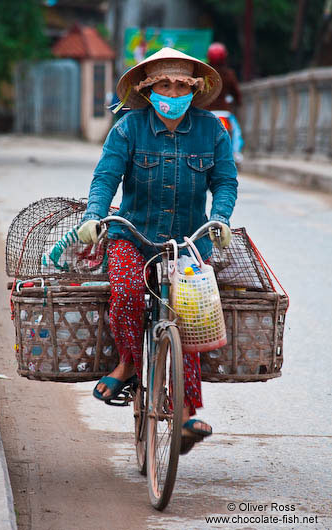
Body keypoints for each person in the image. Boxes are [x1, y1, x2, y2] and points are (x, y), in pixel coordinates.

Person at [77, 47, 238, 454]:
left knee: (188, 315)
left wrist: (220, 218)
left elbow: (226, 182)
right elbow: (105, 178)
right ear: (148, 90)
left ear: (194, 89)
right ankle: (129, 362)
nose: (173, 91)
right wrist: (93, 216)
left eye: (181, 85)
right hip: (134, 237)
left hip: (188, 242)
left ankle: (186, 413)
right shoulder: (128, 129)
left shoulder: (212, 130)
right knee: (129, 294)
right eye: (164, 84)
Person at [206, 42, 244, 162]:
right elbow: (236, 93)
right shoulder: (229, 74)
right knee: (236, 131)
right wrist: (238, 101)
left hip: (208, 111)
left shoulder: (205, 74)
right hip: (224, 111)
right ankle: (236, 153)